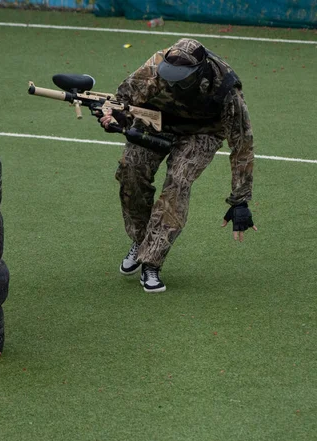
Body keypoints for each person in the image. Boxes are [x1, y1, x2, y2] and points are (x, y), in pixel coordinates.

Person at [97, 38, 257, 293]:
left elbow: (242, 143)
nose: (172, 80)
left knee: (178, 181)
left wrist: (240, 200)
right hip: (155, 120)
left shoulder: (226, 87)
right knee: (131, 170)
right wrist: (114, 117)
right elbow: (123, 99)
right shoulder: (157, 65)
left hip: (202, 132)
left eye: (180, 77)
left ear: (199, 71)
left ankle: (151, 262)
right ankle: (142, 241)